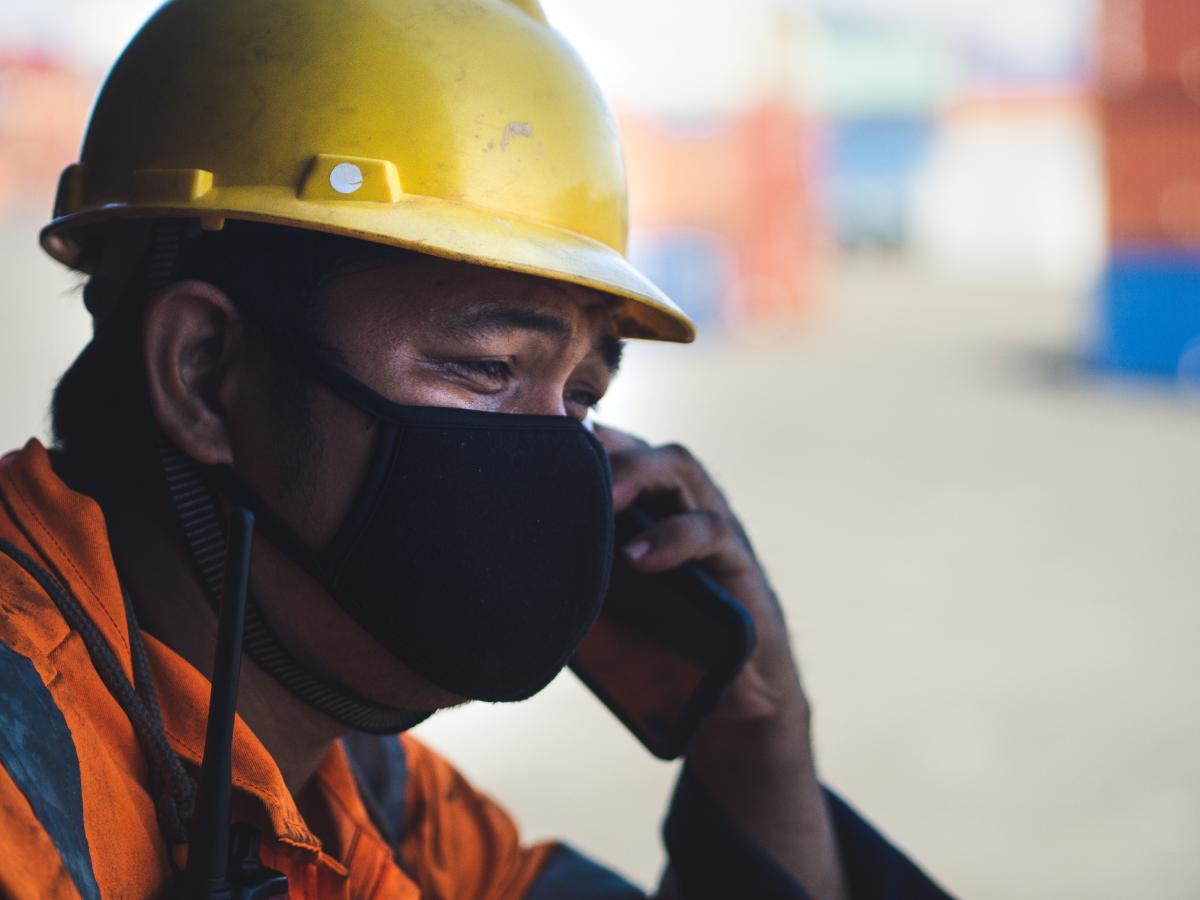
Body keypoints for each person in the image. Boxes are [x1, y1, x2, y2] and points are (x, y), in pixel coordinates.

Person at [0, 0, 952, 897]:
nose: (555, 464)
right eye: (486, 367)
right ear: (207, 374)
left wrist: (755, 743)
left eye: (582, 395)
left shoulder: (369, 794)